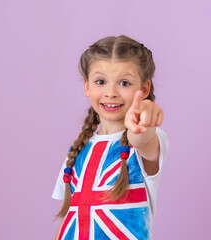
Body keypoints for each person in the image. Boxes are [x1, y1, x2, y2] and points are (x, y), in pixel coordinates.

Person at [51, 35, 169, 240]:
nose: (111, 92)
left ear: (144, 89)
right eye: (100, 81)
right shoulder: (77, 152)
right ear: (87, 86)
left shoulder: (145, 141)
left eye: (124, 83)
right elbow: (70, 219)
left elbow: (141, 139)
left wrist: (145, 120)